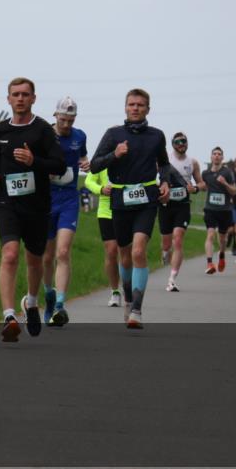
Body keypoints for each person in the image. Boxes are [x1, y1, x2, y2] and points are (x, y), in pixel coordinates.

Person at [0, 77, 66, 341]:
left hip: (36, 205)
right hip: (6, 203)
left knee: (35, 259)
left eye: (25, 94)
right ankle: (9, 316)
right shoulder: (0, 130)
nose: (20, 99)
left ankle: (31, 303)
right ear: (8, 99)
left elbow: (59, 166)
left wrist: (34, 161)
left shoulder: (43, 130)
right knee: (10, 254)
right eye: (15, 94)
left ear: (33, 98)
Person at [89, 88, 170, 329]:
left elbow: (164, 164)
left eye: (140, 105)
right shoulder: (113, 134)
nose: (135, 108)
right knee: (124, 256)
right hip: (120, 200)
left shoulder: (157, 136)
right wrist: (115, 154)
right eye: (131, 104)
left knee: (137, 252)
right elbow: (94, 166)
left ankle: (137, 309)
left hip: (146, 198)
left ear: (148, 109)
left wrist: (164, 181)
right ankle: (127, 296)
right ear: (125, 107)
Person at [42, 97, 89, 327]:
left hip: (69, 199)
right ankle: (48, 297)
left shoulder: (79, 136)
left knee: (62, 252)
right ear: (55, 116)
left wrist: (85, 162)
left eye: (71, 120)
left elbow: (82, 155)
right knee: (47, 256)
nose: (67, 125)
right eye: (63, 120)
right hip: (46, 199)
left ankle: (60, 304)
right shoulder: (44, 134)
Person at [157, 132, 202, 292]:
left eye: (184, 141)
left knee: (178, 240)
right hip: (165, 205)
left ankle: (172, 279)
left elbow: (202, 184)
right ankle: (164, 252)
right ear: (173, 144)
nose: (181, 144)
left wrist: (195, 188)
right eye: (178, 142)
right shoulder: (164, 159)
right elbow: (151, 176)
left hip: (183, 205)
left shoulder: (193, 162)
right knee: (167, 243)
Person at [84, 168, 122, 307]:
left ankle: (129, 288)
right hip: (106, 212)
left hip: (126, 209)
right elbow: (89, 180)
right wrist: (101, 189)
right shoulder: (103, 159)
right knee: (111, 251)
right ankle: (115, 291)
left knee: (127, 252)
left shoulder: (129, 154)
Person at [201, 147, 236, 275]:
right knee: (210, 235)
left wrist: (225, 183)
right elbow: (203, 187)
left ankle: (221, 255)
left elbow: (234, 191)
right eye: (214, 154)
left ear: (222, 158)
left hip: (224, 210)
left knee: (222, 239)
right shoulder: (205, 173)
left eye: (219, 154)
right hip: (210, 209)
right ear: (211, 157)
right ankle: (210, 263)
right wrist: (197, 187)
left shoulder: (227, 172)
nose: (216, 156)